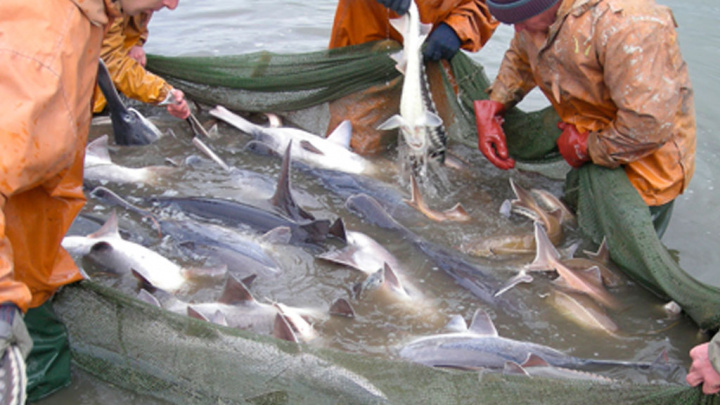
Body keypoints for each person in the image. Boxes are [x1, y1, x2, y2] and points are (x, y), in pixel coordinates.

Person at [0, 0, 181, 399]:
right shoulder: (44, 45)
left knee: (48, 368)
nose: (172, 4)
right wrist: (4, 301)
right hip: (9, 271)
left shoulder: (93, 16)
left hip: (29, 251)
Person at [473, 0, 695, 236]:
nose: (517, 28)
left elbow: (650, 125)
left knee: (620, 249)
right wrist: (495, 104)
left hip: (645, 166)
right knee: (573, 230)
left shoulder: (629, 25)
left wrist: (587, 147)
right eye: (511, 22)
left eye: (521, 19)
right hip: (583, 136)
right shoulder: (536, 21)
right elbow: (521, 54)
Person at [327, 0, 499, 155]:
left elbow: (497, 4)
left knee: (435, 149)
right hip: (366, 40)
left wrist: (459, 27)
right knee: (353, 147)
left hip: (433, 47)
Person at [93, 11, 190, 119]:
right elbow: (112, 63)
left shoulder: (139, 8)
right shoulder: (103, 10)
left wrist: (137, 43)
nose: (171, 6)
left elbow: (140, 13)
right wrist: (165, 94)